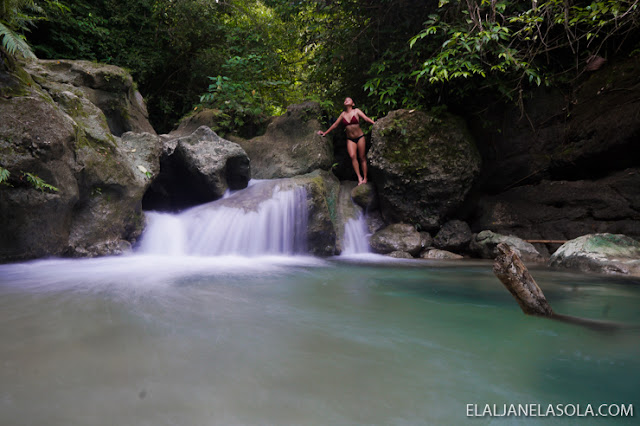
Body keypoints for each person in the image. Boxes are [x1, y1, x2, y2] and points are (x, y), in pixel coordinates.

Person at [317, 97, 375, 185]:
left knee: (362, 157)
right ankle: (359, 177)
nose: (346, 100)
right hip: (350, 139)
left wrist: (375, 124)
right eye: (345, 100)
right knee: (352, 156)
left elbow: (366, 118)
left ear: (353, 104)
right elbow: (335, 125)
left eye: (349, 99)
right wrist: (325, 132)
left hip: (360, 137)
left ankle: (365, 178)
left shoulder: (356, 111)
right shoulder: (343, 114)